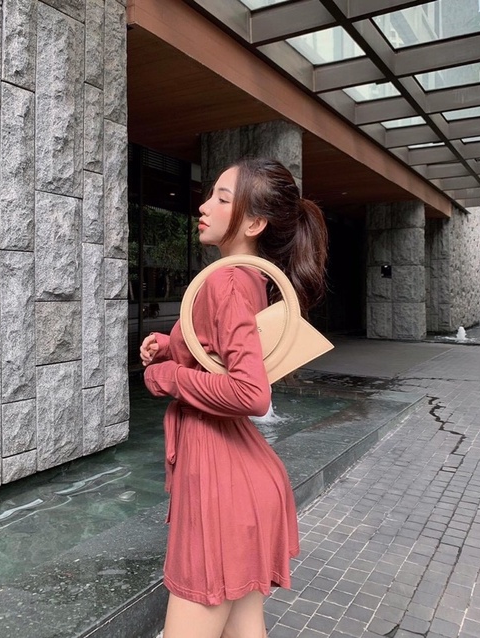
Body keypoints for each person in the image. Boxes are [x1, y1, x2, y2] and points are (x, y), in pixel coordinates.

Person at [139, 157, 328, 638]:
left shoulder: (224, 280)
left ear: (253, 223)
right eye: (210, 195)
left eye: (222, 199)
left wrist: (166, 377)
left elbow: (250, 392)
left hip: (218, 490)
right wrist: (170, 346)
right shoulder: (246, 278)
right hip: (239, 481)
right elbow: (220, 354)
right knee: (244, 629)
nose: (204, 206)